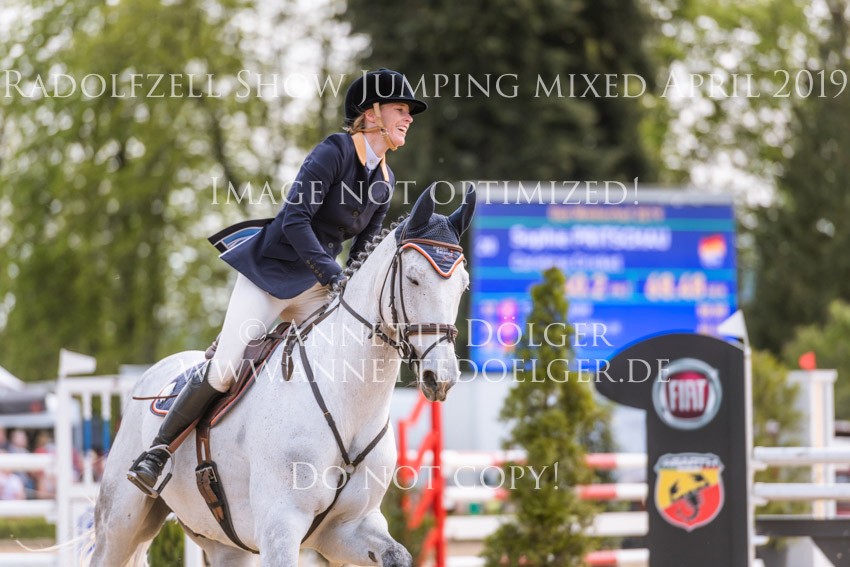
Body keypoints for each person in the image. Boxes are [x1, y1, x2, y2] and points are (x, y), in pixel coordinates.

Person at [127, 69, 427, 497]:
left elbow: (363, 249)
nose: (409, 117)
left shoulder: (385, 179)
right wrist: (332, 273)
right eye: (401, 109)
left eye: (409, 111)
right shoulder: (334, 152)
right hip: (272, 273)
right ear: (371, 113)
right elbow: (295, 220)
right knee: (226, 369)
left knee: (337, 363)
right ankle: (156, 452)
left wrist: (349, 285)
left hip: (318, 286)